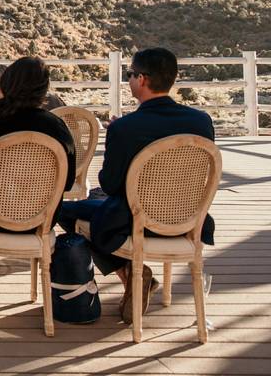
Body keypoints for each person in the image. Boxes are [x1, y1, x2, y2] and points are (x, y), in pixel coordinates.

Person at [57, 47, 216, 323]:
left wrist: (117, 139)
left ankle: (130, 272)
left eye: (130, 74)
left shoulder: (125, 127)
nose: (129, 79)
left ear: (141, 79)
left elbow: (110, 183)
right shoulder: (201, 122)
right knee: (97, 204)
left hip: (133, 220)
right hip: (189, 219)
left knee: (65, 210)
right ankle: (134, 275)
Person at [0, 57, 76, 233]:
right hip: (40, 220)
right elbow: (67, 182)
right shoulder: (56, 127)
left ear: (6, 82)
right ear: (43, 88)